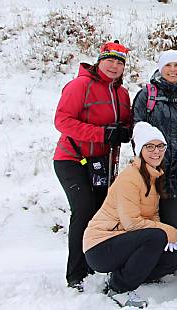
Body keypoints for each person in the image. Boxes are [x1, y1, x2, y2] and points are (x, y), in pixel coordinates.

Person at [53, 41, 132, 291]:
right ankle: (75, 273)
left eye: (120, 62)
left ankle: (93, 264)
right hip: (72, 159)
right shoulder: (80, 85)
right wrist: (101, 134)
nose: (114, 66)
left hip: (102, 163)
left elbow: (126, 124)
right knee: (84, 208)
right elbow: (62, 121)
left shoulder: (122, 93)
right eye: (110, 60)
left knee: (101, 213)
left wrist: (125, 132)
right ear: (99, 61)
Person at [83, 123, 177, 308]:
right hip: (100, 246)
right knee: (157, 236)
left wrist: (165, 237)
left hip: (122, 242)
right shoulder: (129, 178)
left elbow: (152, 217)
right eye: (150, 146)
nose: (156, 151)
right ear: (140, 150)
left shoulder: (153, 177)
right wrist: (168, 231)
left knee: (174, 258)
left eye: (160, 146)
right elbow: (132, 223)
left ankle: (128, 275)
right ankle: (118, 288)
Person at [132, 49, 177, 226]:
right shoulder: (147, 94)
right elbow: (136, 129)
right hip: (151, 169)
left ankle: (173, 251)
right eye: (168, 65)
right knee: (148, 216)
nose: (173, 70)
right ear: (160, 68)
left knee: (172, 217)